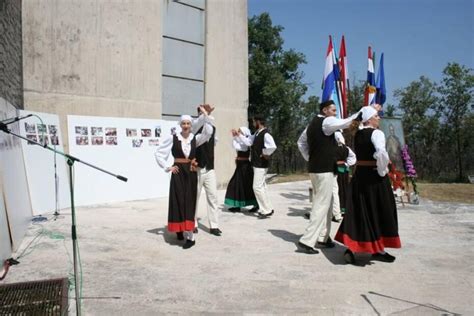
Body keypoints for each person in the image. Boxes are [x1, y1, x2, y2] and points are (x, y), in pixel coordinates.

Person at [335, 106, 401, 263]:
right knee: (380, 209)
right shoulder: (377, 133)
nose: (379, 118)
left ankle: (359, 248)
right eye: (376, 116)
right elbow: (381, 153)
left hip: (360, 177)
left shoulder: (358, 133)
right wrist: (382, 170)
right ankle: (376, 248)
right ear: (369, 119)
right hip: (374, 177)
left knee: (360, 210)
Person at [296, 100, 362, 254]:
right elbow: (346, 122)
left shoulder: (312, 124)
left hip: (317, 168)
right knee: (321, 205)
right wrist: (362, 112)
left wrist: (311, 158)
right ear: (325, 110)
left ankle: (323, 237)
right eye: (333, 110)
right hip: (323, 169)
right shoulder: (326, 122)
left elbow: (301, 143)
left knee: (327, 203)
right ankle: (307, 240)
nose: (335, 113)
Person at [154, 107, 213, 249]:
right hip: (178, 173)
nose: (186, 126)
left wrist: (205, 115)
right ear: (180, 125)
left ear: (191, 125)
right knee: (178, 200)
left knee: (189, 201)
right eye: (183, 124)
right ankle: (179, 229)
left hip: (191, 173)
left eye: (188, 124)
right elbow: (159, 153)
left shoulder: (195, 139)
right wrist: (168, 167)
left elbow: (208, 131)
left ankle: (190, 237)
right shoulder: (173, 138)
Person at [233, 114, 277, 219]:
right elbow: (248, 142)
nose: (253, 124)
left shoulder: (265, 134)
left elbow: (272, 146)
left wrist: (265, 153)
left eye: (254, 122)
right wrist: (238, 135)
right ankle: (268, 208)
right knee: (262, 187)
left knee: (256, 187)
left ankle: (265, 210)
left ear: (258, 122)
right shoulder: (257, 133)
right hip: (257, 164)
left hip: (261, 164)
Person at [193, 104, 222, 237]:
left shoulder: (212, 128)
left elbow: (214, 141)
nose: (204, 114)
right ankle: (193, 223)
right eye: (202, 112)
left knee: (213, 196)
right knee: (195, 197)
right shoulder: (194, 127)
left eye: (205, 112)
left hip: (209, 167)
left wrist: (208, 116)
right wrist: (206, 115)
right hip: (197, 167)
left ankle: (214, 225)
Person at [225, 127, 258, 212]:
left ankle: (256, 204)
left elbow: (241, 147)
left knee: (247, 185)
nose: (238, 132)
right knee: (236, 185)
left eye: (240, 131)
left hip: (245, 166)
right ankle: (237, 205)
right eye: (238, 131)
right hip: (240, 166)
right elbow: (235, 145)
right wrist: (235, 136)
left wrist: (237, 136)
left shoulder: (246, 142)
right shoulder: (241, 141)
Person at [331, 131, 356, 223]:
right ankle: (344, 209)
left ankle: (339, 210)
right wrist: (346, 163)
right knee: (344, 188)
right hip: (344, 169)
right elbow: (353, 158)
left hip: (336, 170)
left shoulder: (332, 148)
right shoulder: (346, 148)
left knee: (338, 189)